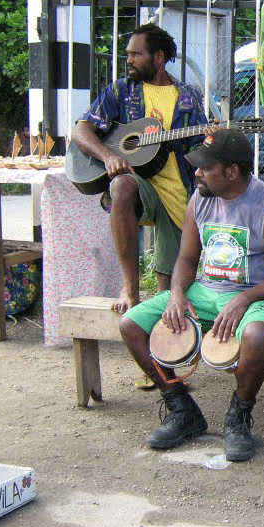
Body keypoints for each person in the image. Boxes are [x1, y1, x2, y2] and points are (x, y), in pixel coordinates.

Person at [119, 129, 264, 461]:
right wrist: (176, 293)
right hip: (205, 291)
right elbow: (187, 259)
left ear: (232, 172)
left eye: (206, 167)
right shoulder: (200, 199)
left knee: (256, 336)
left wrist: (243, 299)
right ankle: (182, 409)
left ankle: (239, 416)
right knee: (131, 325)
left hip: (258, 295)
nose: (197, 173)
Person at [74, 23, 209, 313]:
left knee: (168, 292)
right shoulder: (121, 90)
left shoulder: (187, 95)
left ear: (158, 57)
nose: (129, 60)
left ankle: (160, 334)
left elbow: (199, 147)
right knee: (122, 184)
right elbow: (81, 130)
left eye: (136, 54)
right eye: (128, 54)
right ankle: (130, 288)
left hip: (177, 191)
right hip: (140, 184)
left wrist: (210, 140)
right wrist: (108, 157)